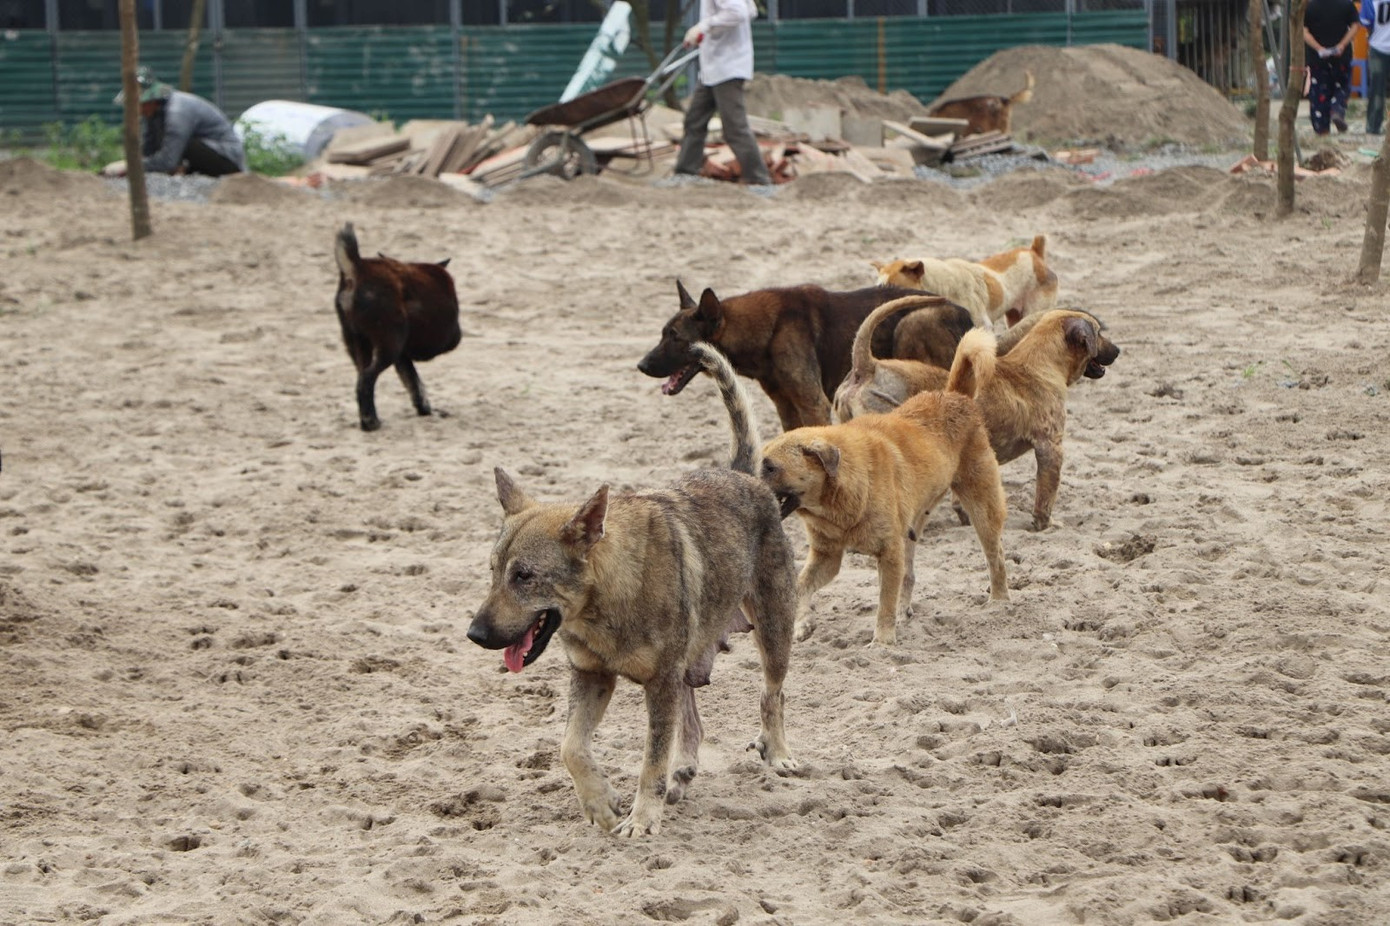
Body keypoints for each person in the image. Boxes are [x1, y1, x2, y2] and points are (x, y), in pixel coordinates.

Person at [673, 0, 772, 186]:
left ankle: (759, 180)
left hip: (728, 67)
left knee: (734, 127)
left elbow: (738, 12)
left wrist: (704, 26)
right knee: (694, 120)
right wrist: (711, 29)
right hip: (713, 68)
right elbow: (750, 10)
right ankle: (685, 173)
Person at [110, 67, 246, 177]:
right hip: (201, 155)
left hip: (227, 160)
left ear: (151, 100)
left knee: (181, 143)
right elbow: (148, 150)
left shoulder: (177, 112)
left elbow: (168, 160)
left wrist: (130, 165)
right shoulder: (153, 114)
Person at [1304, 0, 1360, 134]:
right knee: (1342, 86)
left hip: (1318, 59)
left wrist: (1318, 48)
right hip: (1341, 58)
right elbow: (1355, 26)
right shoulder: (1346, 4)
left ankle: (1321, 129)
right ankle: (1337, 110)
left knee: (1319, 94)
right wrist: (1342, 44)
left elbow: (1304, 31)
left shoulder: (1310, 7)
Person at [1363, 0, 1390, 133]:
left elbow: (1367, 23)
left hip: (1378, 47)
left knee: (1377, 90)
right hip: (1378, 47)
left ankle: (1373, 126)